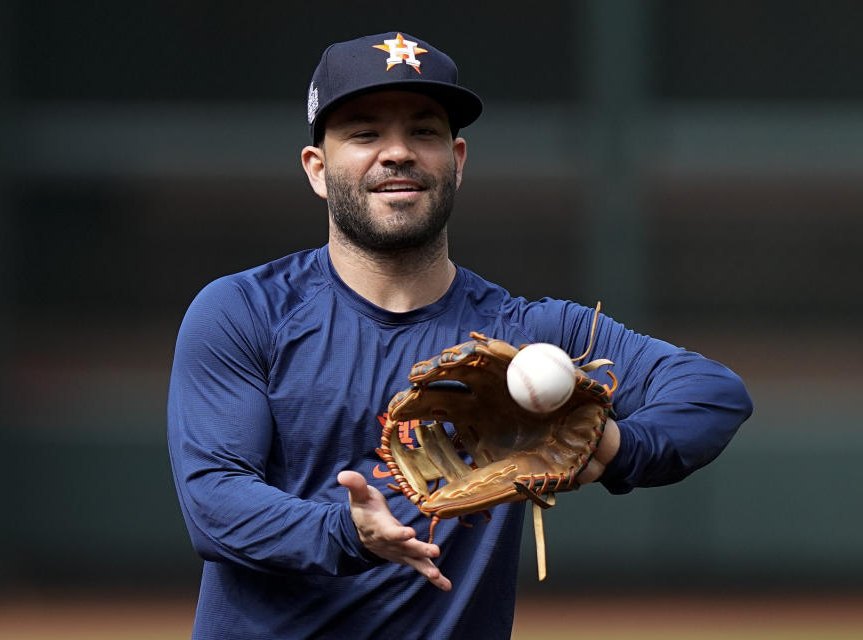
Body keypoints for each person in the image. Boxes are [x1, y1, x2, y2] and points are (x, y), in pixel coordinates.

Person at [167, 31, 752, 640]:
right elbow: (215, 504)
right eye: (364, 133)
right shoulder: (246, 310)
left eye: (424, 131)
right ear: (317, 170)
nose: (397, 153)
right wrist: (348, 532)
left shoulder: (528, 334)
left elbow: (714, 393)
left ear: (458, 160)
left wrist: (612, 448)